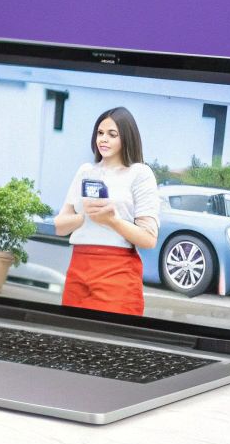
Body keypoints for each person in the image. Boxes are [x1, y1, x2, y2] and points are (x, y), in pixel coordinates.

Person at [52, 107, 161, 316]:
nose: (103, 139)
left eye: (112, 134)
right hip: (78, 266)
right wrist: (85, 216)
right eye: (100, 133)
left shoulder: (140, 173)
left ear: (127, 137)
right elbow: (59, 226)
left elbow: (149, 239)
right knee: (71, 331)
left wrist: (112, 221)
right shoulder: (85, 171)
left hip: (117, 270)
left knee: (109, 333)